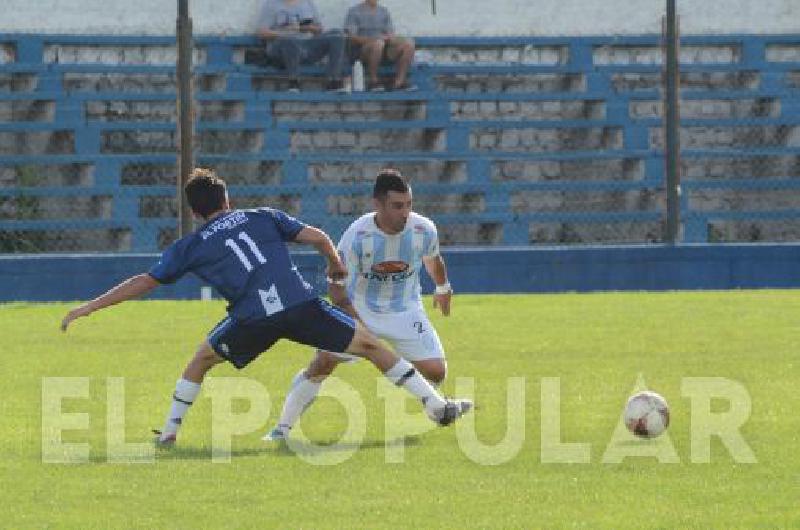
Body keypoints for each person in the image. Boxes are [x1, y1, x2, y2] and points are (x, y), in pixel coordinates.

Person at [60, 168, 471, 446]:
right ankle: (436, 405)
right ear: (227, 198)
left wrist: (91, 307)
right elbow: (318, 236)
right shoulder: (261, 216)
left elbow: (143, 282)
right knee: (371, 347)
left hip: (252, 318)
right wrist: (333, 262)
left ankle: (168, 434)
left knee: (201, 360)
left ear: (193, 210)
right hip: (298, 303)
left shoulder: (191, 245)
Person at [266, 168, 455, 441]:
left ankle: (434, 405)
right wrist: (357, 324)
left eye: (409, 205)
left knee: (437, 372)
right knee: (324, 363)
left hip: (404, 308)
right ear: (377, 204)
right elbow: (336, 286)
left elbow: (432, 259)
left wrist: (442, 287)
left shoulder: (423, 229)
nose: (405, 212)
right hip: (360, 307)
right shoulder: (356, 237)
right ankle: (281, 429)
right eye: (397, 206)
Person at [257, 0, 347, 92]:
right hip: (282, 48)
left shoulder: (307, 3)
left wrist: (304, 27)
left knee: (337, 35)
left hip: (305, 47)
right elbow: (262, 32)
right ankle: (293, 82)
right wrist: (286, 32)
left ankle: (334, 81)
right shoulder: (271, 4)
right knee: (290, 40)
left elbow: (319, 29)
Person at [343, 0, 416, 91]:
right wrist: (374, 39)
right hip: (362, 50)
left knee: (408, 44)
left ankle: (399, 82)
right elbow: (352, 37)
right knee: (378, 44)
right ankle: (373, 81)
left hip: (384, 47)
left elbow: (390, 33)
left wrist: (389, 38)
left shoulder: (384, 11)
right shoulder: (354, 11)